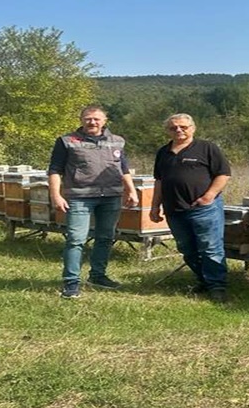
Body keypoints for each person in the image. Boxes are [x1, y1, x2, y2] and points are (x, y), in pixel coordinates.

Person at [48, 104, 138, 299]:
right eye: (88, 118)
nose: (92, 122)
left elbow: (123, 168)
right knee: (76, 239)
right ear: (81, 120)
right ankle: (71, 282)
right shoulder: (67, 141)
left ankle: (98, 275)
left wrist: (131, 190)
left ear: (105, 121)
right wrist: (56, 195)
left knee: (105, 238)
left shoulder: (117, 141)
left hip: (111, 197)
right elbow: (55, 170)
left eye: (96, 118)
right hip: (79, 197)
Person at [150, 113, 232, 303]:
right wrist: (155, 206)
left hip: (203, 208)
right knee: (187, 249)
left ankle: (217, 286)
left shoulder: (207, 148)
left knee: (210, 248)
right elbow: (159, 181)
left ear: (192, 128)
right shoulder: (163, 152)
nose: (178, 130)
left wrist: (209, 196)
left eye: (183, 127)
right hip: (174, 210)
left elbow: (223, 174)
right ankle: (203, 280)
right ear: (168, 131)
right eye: (173, 128)